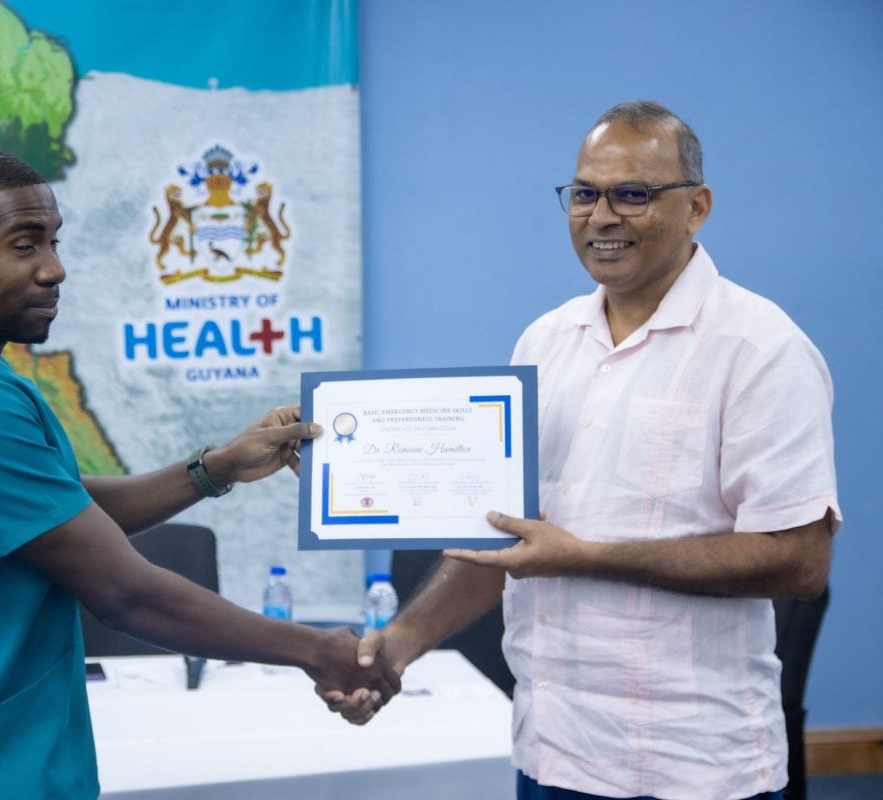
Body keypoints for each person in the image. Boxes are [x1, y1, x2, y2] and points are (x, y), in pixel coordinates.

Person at [0, 143, 398, 799]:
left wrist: (215, 467)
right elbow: (124, 593)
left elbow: (55, 509)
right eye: (25, 246)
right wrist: (315, 649)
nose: (55, 270)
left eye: (54, 242)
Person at [327, 101, 839, 800]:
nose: (601, 216)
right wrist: (397, 645)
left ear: (697, 208)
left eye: (633, 194)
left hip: (696, 769)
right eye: (585, 194)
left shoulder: (760, 350)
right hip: (551, 750)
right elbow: (504, 539)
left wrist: (588, 557)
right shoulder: (544, 342)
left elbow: (800, 558)